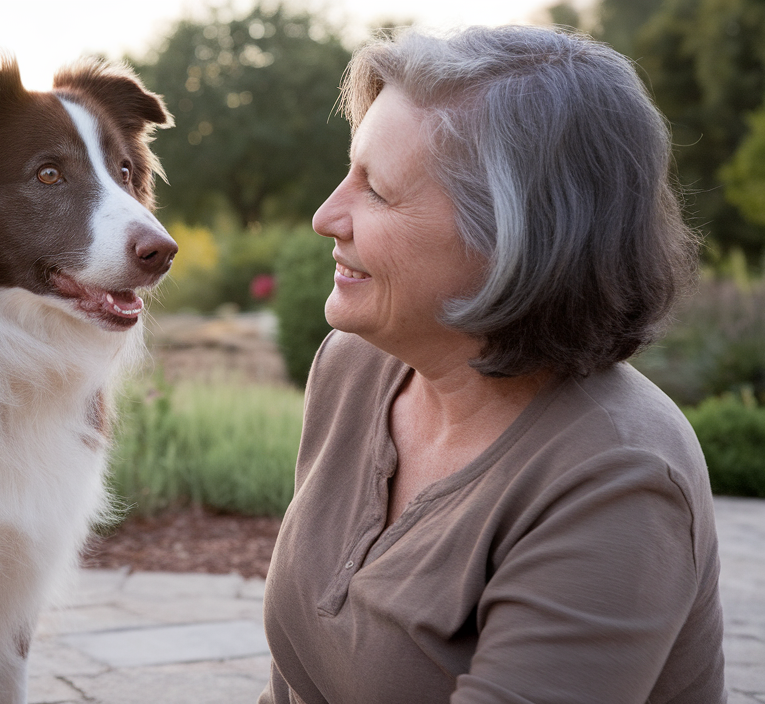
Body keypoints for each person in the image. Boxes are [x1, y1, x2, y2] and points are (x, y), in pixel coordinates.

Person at [260, 25, 726, 704]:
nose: (326, 215)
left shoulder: (616, 482)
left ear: (512, 240)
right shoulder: (356, 365)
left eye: (378, 191)